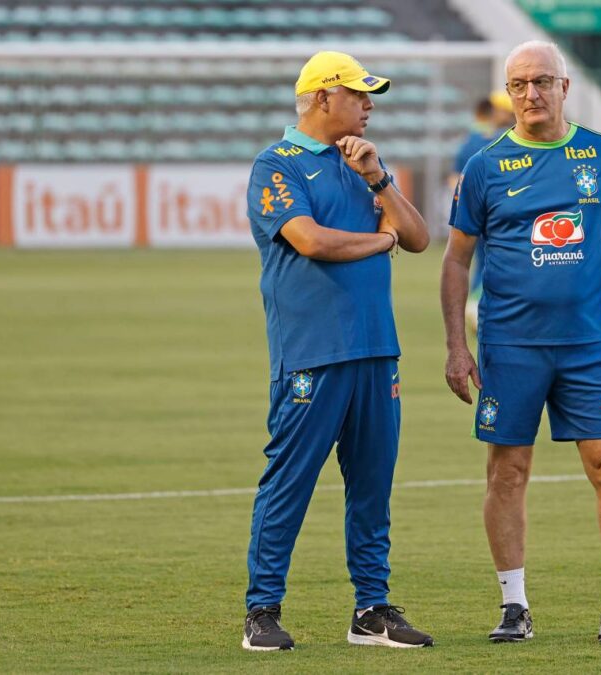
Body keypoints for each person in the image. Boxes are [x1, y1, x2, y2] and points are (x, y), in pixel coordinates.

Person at [441, 41, 601, 645]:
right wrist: (455, 345)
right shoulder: (485, 165)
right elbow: (455, 262)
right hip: (510, 346)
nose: (530, 94)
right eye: (519, 84)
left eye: (541, 82)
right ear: (509, 92)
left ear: (564, 87)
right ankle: (514, 607)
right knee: (507, 473)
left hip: (585, 346)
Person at [242, 50, 432, 652]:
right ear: (323, 98)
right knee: (290, 483)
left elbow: (421, 237)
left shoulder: (366, 165)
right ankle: (262, 612)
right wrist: (382, 240)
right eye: (358, 94)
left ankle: (371, 610)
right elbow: (311, 241)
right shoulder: (278, 165)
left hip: (377, 351)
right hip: (311, 354)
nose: (369, 105)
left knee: (373, 487)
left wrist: (378, 178)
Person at [451, 92, 516, 332]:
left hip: (474, 212)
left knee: (480, 260)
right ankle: (477, 305)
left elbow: (454, 179)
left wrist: (464, 206)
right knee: (495, 260)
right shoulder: (505, 140)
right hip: (498, 213)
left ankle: (477, 305)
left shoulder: (472, 139)